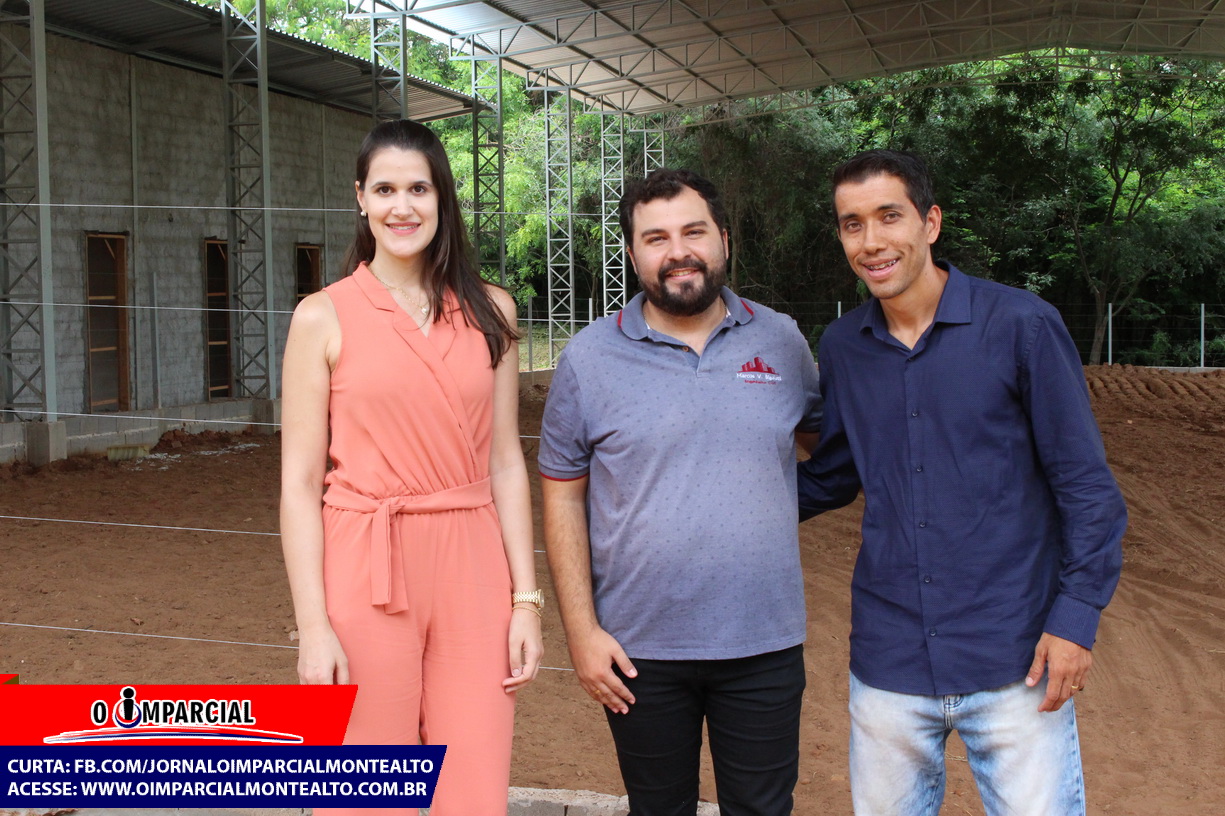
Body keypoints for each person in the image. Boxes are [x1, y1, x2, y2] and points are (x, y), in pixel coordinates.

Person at [797, 149, 1126, 815]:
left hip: (1014, 657)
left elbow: (1086, 487)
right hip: (888, 662)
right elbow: (833, 475)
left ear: (930, 223)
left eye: (889, 216)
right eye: (852, 224)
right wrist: (715, 499)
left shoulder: (1022, 326)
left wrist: (1075, 619)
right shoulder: (843, 347)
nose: (871, 240)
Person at [279, 119, 543, 816]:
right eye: (385, 189)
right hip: (365, 563)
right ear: (360, 199)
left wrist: (526, 600)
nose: (403, 206)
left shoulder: (492, 310)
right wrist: (313, 627)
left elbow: (506, 463)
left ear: (441, 198)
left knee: (473, 780)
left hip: (472, 563)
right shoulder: (321, 316)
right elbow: (299, 485)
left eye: (419, 189)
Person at [539, 168, 822, 816]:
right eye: (656, 238)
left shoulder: (781, 341)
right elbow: (562, 498)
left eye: (693, 232)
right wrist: (581, 632)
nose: (678, 251)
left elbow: (824, 448)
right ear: (633, 253)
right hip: (637, 650)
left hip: (763, 642)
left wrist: (765, 502)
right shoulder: (588, 358)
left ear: (724, 240)